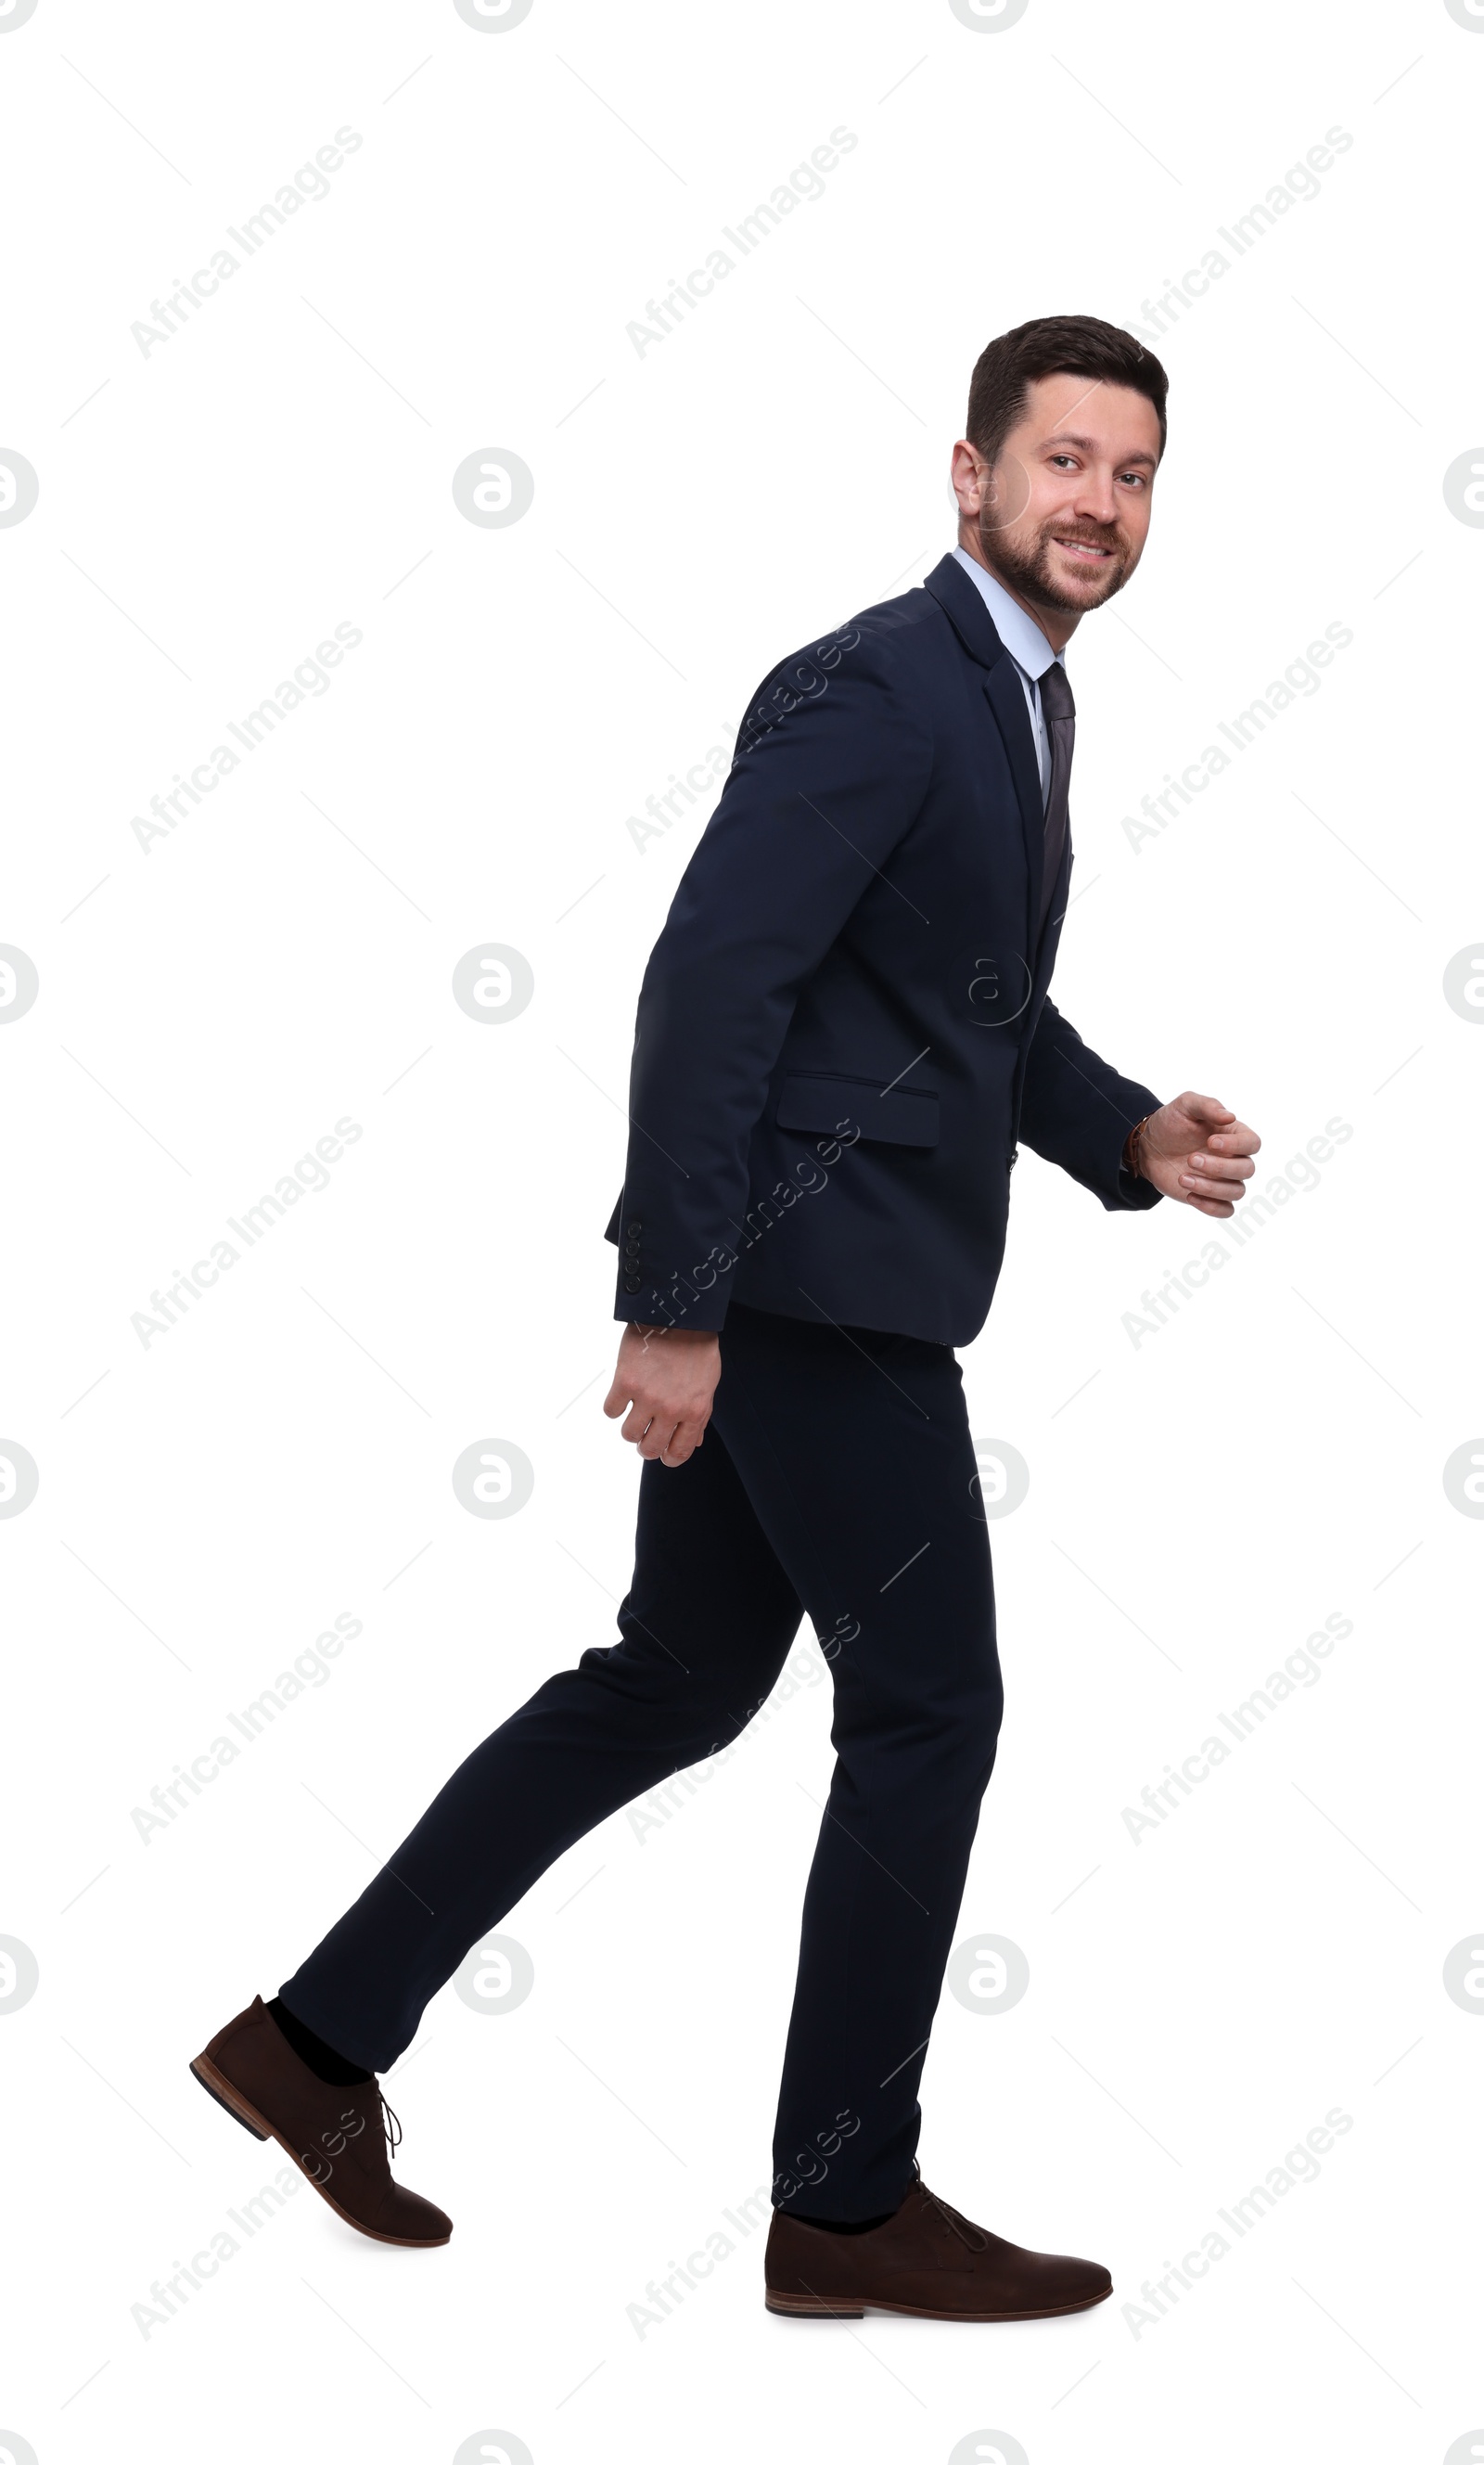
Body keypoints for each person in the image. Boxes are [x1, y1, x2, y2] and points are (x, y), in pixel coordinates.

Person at [193, 314, 1260, 2321]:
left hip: (815, 1285)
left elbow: (959, 1005)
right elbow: (706, 991)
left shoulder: (1012, 700)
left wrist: (1120, 1127)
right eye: (1060, 463)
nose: (1095, 504)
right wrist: (672, 1305)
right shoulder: (886, 686)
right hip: (807, 1293)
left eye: (1128, 474)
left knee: (676, 1678)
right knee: (928, 1707)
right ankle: (842, 2201)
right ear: (967, 472)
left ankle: (311, 2046)